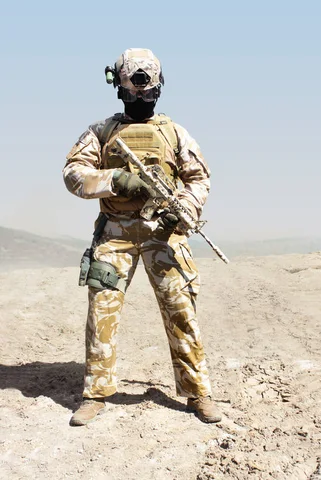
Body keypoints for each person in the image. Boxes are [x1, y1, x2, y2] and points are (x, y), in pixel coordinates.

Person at [63, 48, 221, 426]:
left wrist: (182, 207)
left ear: (159, 85)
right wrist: (115, 180)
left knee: (181, 310)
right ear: (118, 85)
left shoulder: (174, 133)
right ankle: (96, 393)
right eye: (132, 85)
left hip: (163, 235)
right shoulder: (101, 132)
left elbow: (198, 178)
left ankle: (198, 392)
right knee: (102, 311)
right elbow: (73, 173)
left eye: (147, 86)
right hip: (115, 236)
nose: (140, 94)